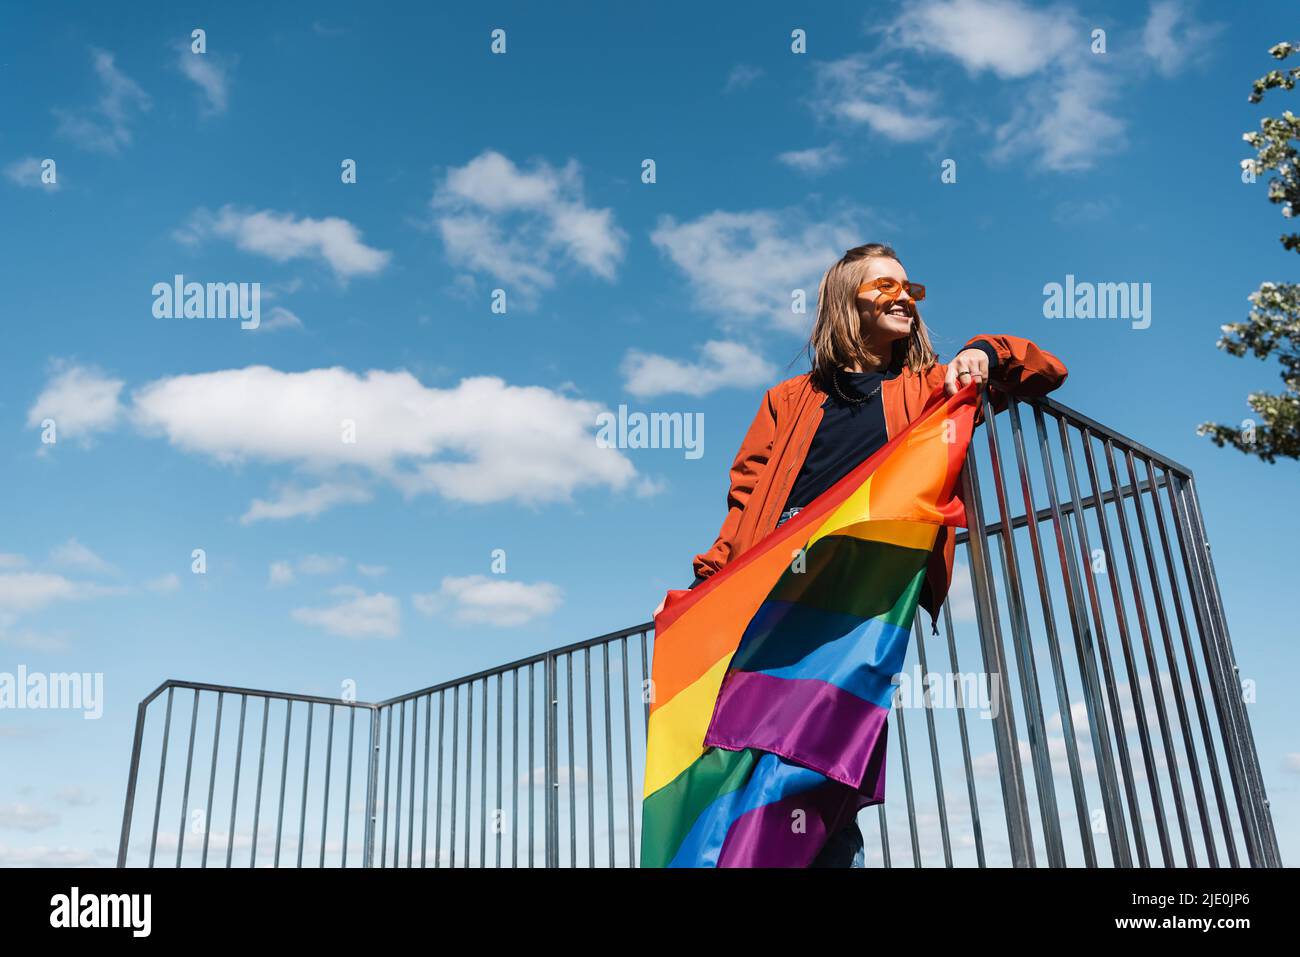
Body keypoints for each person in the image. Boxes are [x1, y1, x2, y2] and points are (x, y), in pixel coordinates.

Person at [663, 242, 1069, 866]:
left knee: (828, 761)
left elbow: (1042, 369)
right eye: (884, 286)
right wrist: (706, 582)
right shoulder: (787, 398)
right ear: (844, 301)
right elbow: (745, 499)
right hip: (776, 585)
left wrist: (983, 353)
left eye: (910, 287)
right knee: (744, 754)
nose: (904, 295)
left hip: (863, 591)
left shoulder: (927, 388)